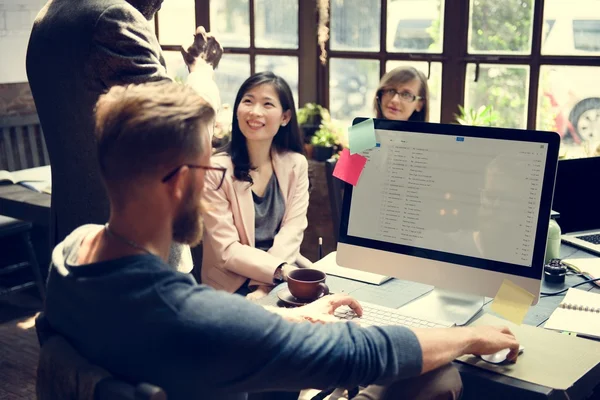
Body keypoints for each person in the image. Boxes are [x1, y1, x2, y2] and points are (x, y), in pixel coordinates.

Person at [41, 80, 522, 400]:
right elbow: (364, 355)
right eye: (208, 164)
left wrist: (280, 315)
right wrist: (469, 336)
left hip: (239, 320)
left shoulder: (70, 255)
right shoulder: (192, 318)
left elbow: (222, 319)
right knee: (441, 377)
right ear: (182, 182)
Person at [26, 0, 221, 272]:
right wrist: (202, 72)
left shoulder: (48, 16)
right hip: (135, 245)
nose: (162, 4)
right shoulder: (111, 19)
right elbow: (180, 131)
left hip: (73, 237)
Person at [200, 72, 313, 300]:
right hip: (230, 285)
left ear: (285, 117)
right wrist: (275, 272)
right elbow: (227, 250)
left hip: (282, 276)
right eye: (248, 101)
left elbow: (292, 230)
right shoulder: (215, 171)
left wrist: (267, 283)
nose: (255, 112)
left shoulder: (295, 164)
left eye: (267, 104)